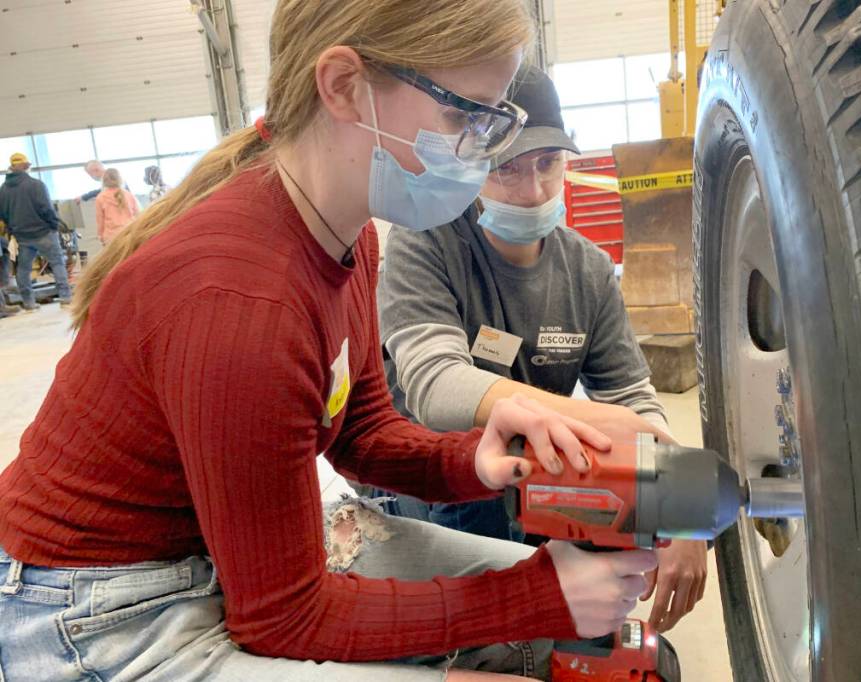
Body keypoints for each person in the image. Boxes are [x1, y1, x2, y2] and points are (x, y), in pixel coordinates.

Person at [0, 2, 661, 681]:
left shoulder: (348, 231)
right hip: (100, 610)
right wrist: (529, 597)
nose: (486, 153)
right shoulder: (240, 301)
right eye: (467, 118)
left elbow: (362, 432)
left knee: (585, 637)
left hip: (219, 555)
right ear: (345, 87)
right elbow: (284, 617)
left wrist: (482, 459)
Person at [374, 66, 708, 633]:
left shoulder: (589, 271)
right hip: (437, 482)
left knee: (623, 515)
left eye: (548, 164)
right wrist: (596, 418)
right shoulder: (424, 241)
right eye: (507, 168)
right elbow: (434, 381)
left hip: (534, 473)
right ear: (471, 162)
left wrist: (680, 510)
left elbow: (631, 395)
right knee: (499, 603)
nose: (532, 191)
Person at [0, 153, 72, 310]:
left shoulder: (3, 190)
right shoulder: (36, 185)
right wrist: (53, 225)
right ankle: (66, 297)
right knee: (57, 262)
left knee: (23, 269)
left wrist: (14, 230)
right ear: (26, 166)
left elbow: (3, 214)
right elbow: (46, 208)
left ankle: (29, 303)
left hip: (22, 236)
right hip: (44, 232)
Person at [95, 168, 140, 244]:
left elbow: (100, 220)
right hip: (129, 233)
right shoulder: (129, 195)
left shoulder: (100, 197)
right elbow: (137, 214)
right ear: (120, 179)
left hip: (111, 236)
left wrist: (100, 235)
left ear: (104, 181)